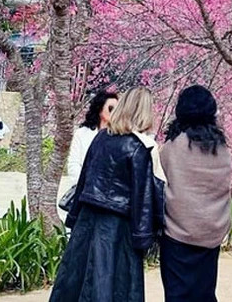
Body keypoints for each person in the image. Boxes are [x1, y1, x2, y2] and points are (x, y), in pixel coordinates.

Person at [49, 88, 162, 302]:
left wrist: (73, 218)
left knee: (76, 282)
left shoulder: (101, 137)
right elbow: (142, 200)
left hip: (87, 220)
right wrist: (145, 239)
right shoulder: (140, 148)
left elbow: (83, 181)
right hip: (118, 227)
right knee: (112, 286)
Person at [159, 85, 231, 302]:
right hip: (211, 232)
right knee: (205, 293)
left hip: (178, 233)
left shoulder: (173, 147)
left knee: (177, 295)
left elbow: (161, 182)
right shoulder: (222, 148)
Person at [63, 91, 119, 190]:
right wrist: (86, 185)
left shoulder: (120, 136)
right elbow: (73, 164)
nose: (114, 112)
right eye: (111, 108)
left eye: (117, 109)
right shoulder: (82, 133)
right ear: (99, 109)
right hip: (84, 189)